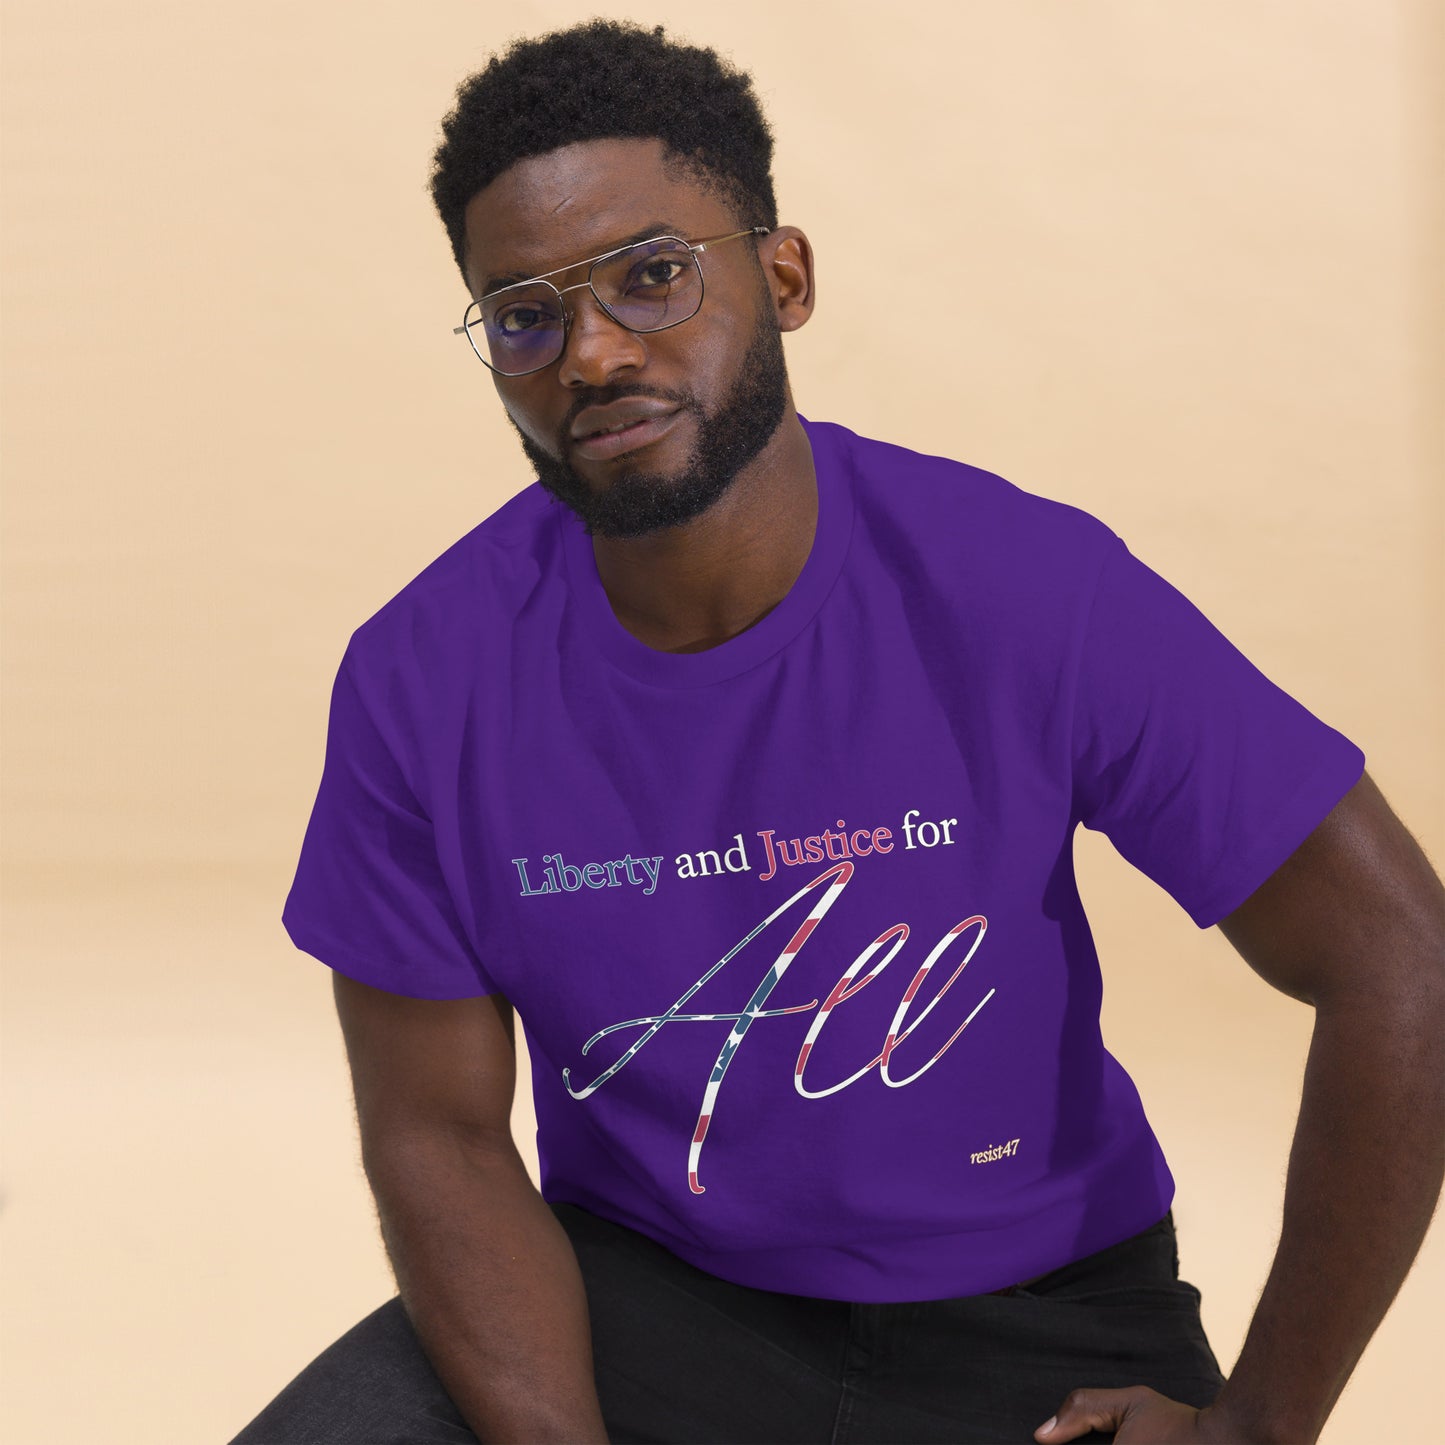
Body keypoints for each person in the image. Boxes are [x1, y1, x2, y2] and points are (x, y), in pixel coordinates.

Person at [230, 19, 1445, 1445]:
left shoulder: (1018, 586)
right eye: (524, 315)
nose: (594, 351)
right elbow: (434, 1130)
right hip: (644, 1301)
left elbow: (1398, 959)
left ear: (783, 276)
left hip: (1036, 1325)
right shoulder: (419, 676)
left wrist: (1260, 1424)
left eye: (652, 275)